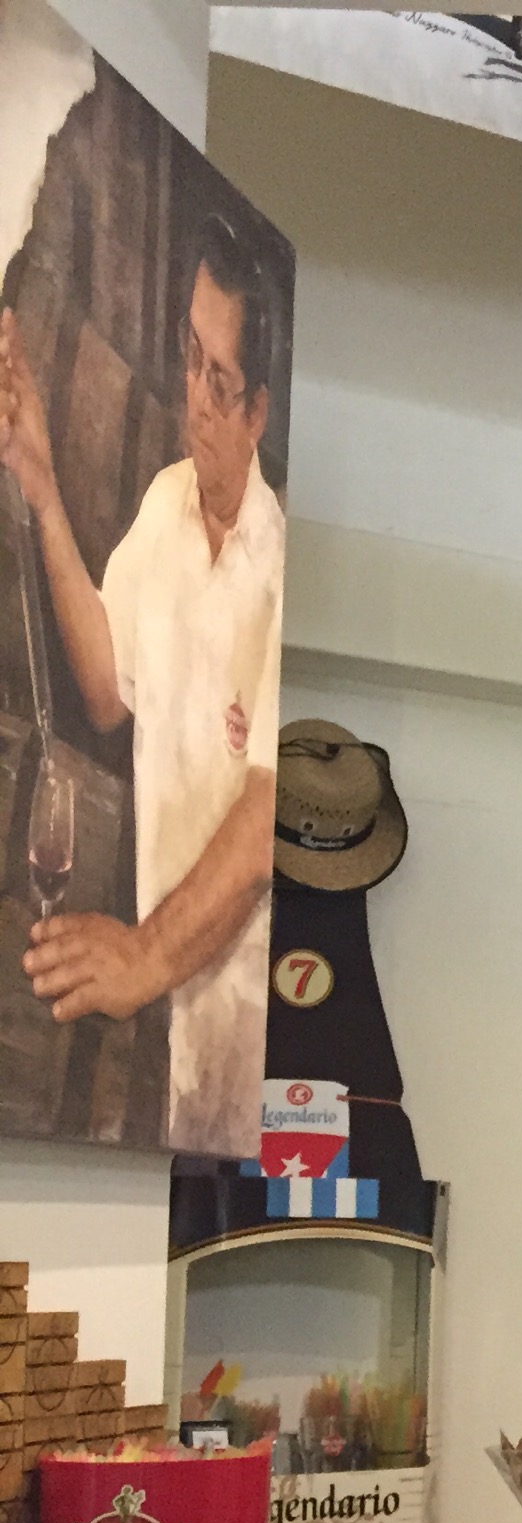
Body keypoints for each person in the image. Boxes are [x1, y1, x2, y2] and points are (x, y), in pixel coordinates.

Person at [0, 210, 284, 1155]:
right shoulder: (165, 503)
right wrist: (42, 488)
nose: (193, 397)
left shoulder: (282, 574)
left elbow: (265, 819)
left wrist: (138, 954)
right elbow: (104, 688)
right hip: (168, 1021)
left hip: (249, 1037)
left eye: (220, 381)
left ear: (258, 411)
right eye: (189, 358)